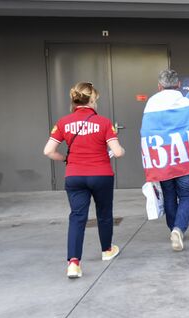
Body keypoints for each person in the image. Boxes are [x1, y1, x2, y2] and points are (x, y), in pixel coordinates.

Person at [43, 82, 125, 278]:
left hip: (74, 176)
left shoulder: (63, 123)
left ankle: (73, 263)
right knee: (104, 213)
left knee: (77, 217)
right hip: (101, 175)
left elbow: (48, 151)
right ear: (92, 100)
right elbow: (118, 152)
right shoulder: (104, 122)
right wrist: (119, 149)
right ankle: (107, 250)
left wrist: (66, 159)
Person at [141, 69, 189, 252]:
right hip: (185, 159)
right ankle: (178, 228)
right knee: (186, 195)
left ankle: (173, 228)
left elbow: (146, 132)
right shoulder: (188, 103)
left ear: (159, 86)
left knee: (169, 195)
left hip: (164, 160)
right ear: (179, 84)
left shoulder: (151, 104)